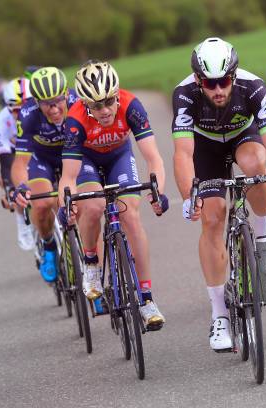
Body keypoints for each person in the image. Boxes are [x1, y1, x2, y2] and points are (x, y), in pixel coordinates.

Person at [172, 37, 266, 351]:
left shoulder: (253, 87)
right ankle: (219, 316)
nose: (217, 90)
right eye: (209, 83)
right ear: (198, 80)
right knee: (213, 216)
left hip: (245, 136)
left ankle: (264, 235)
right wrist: (190, 195)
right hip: (205, 146)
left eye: (224, 81)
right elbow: (182, 153)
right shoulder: (184, 94)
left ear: (234, 74)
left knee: (256, 163)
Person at [59, 60, 168, 330]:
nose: (105, 110)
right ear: (86, 104)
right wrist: (67, 204)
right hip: (86, 160)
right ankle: (92, 263)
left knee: (130, 215)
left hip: (119, 156)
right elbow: (68, 178)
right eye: (97, 106)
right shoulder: (74, 121)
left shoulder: (131, 105)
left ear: (117, 94)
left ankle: (146, 299)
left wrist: (158, 192)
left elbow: (153, 158)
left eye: (109, 101)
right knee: (93, 207)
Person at [12, 67, 78, 283]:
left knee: (84, 204)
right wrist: (21, 186)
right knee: (41, 203)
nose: (53, 108)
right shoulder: (28, 114)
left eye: (58, 100)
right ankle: (49, 246)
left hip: (72, 155)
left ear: (66, 93)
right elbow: (20, 161)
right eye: (45, 103)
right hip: (42, 160)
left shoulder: (78, 103)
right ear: (36, 101)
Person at [0, 77, 35, 251]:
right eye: (16, 110)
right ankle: (22, 224)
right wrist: (10, 188)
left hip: (37, 149)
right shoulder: (0, 124)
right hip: (14, 154)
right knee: (12, 184)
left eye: (26, 107)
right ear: (8, 107)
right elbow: (5, 161)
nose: (22, 113)